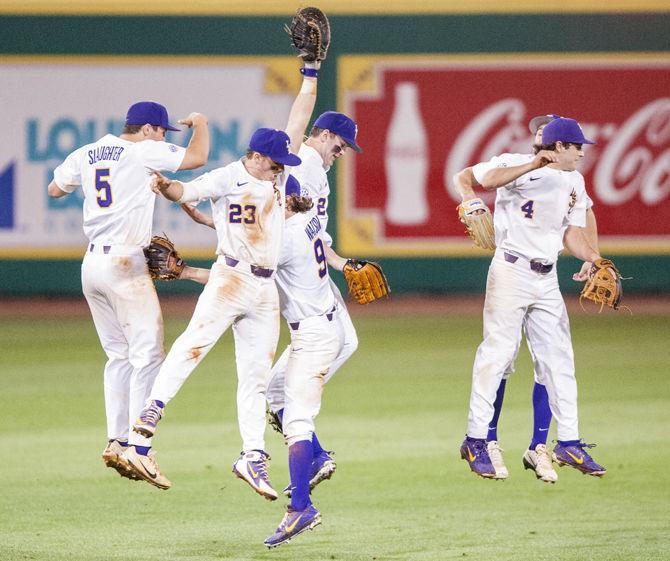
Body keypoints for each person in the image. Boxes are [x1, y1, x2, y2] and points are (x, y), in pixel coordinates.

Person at [128, 59, 319, 499]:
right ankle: (146, 425)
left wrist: (311, 72)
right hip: (229, 279)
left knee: (253, 376)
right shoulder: (226, 177)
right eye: (274, 163)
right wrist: (166, 187)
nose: (280, 169)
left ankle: (252, 457)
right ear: (253, 156)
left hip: (264, 290)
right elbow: (186, 190)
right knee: (190, 348)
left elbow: (299, 116)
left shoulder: (279, 174)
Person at [47, 101, 209, 489]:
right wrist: (201, 122)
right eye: (163, 131)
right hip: (124, 264)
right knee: (148, 355)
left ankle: (116, 439)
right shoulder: (143, 150)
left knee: (118, 356)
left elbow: (54, 190)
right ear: (150, 128)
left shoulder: (86, 152)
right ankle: (139, 447)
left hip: (92, 265)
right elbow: (197, 158)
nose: (163, 137)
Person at [178, 177, 339, 546]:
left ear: (285, 202)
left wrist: (187, 272)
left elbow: (234, 278)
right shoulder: (307, 216)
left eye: (273, 200)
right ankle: (314, 461)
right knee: (273, 391)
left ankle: (301, 507)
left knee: (297, 421)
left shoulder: (283, 240)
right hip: (317, 327)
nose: (264, 207)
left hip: (314, 336)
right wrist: (207, 221)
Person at [458, 117, 607, 480]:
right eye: (576, 147)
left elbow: (572, 231)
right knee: (497, 355)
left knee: (559, 359)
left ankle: (567, 442)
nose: (581, 153)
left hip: (547, 275)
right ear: (559, 148)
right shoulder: (514, 164)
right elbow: (483, 180)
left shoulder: (574, 180)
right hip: (511, 271)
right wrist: (531, 165)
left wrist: (594, 258)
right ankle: (476, 439)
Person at [264, 110, 364, 495]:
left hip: (313, 297)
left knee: (284, 395)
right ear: (322, 135)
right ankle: (315, 458)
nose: (342, 152)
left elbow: (315, 236)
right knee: (280, 392)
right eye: (340, 144)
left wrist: (340, 263)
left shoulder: (316, 171)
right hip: (304, 285)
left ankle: (314, 461)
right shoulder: (302, 167)